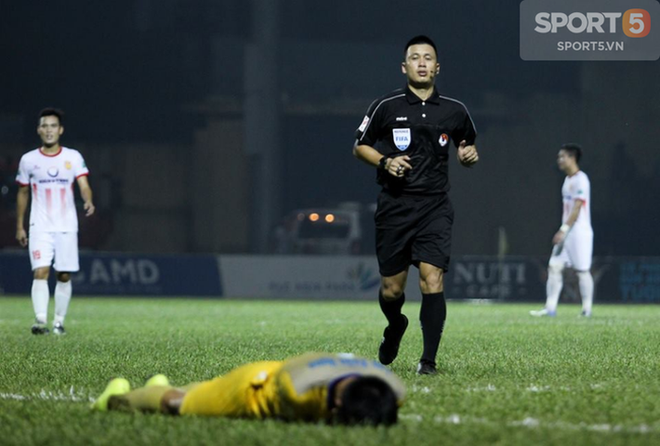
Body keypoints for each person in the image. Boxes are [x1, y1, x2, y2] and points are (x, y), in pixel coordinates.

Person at [352, 35, 479, 375]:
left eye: (428, 58)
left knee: (432, 280)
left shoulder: (455, 110)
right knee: (392, 289)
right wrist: (385, 162)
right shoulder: (386, 106)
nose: (422, 63)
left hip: (435, 207)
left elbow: (467, 146)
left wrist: (468, 155)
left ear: (437, 67)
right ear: (404, 66)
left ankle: (428, 361)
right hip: (395, 206)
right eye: (415, 57)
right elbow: (360, 146)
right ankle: (395, 326)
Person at [91, 352, 405, 426]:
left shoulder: (392, 389)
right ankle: (114, 398)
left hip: (283, 366)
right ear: (334, 402)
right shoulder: (298, 392)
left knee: (195, 391)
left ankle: (157, 386)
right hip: (251, 388)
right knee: (178, 404)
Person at [15, 108, 95, 335]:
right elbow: (22, 193)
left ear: (60, 130)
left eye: (53, 126)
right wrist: (19, 225)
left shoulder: (72, 157)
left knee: (64, 274)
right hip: (39, 226)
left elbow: (84, 184)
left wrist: (88, 200)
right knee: (40, 271)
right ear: (39, 130)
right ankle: (40, 321)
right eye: (45, 126)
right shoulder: (29, 160)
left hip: (66, 226)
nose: (49, 130)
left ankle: (58, 322)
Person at [531, 143, 594, 317]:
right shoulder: (567, 181)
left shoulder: (581, 179)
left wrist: (564, 229)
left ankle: (586, 310)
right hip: (567, 232)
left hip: (579, 232)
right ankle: (550, 308)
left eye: (562, 157)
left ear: (572, 158)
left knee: (582, 270)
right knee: (554, 267)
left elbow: (577, 207)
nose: (559, 160)